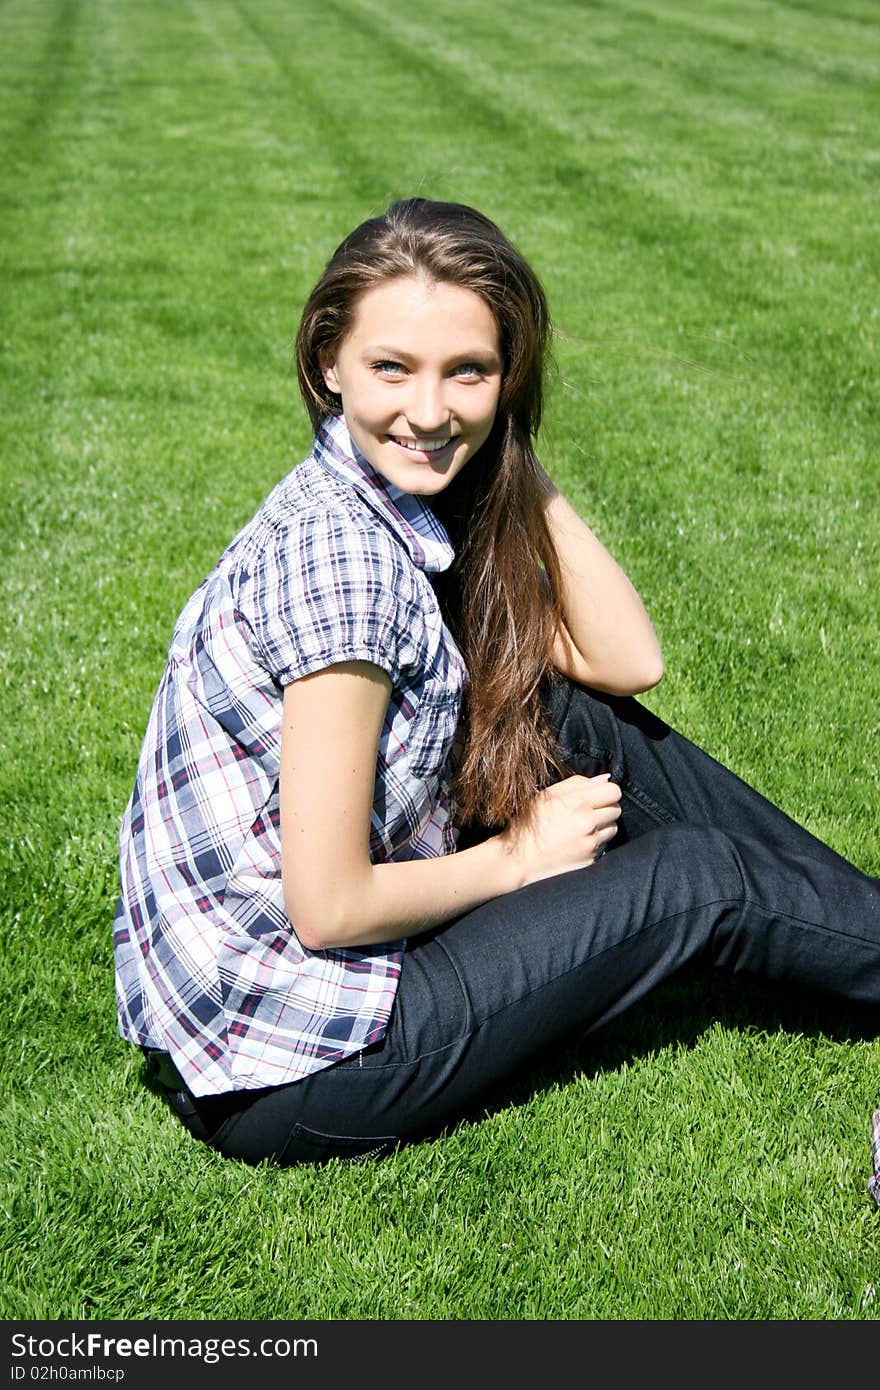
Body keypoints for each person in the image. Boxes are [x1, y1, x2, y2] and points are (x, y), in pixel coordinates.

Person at [113, 197, 880, 1184]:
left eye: (467, 371)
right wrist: (521, 858)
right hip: (290, 1059)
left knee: (566, 712)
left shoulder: (377, 493)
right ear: (325, 364)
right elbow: (330, 907)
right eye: (392, 367)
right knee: (702, 875)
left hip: (275, 1000)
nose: (428, 411)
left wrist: (507, 452)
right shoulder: (344, 563)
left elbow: (622, 661)